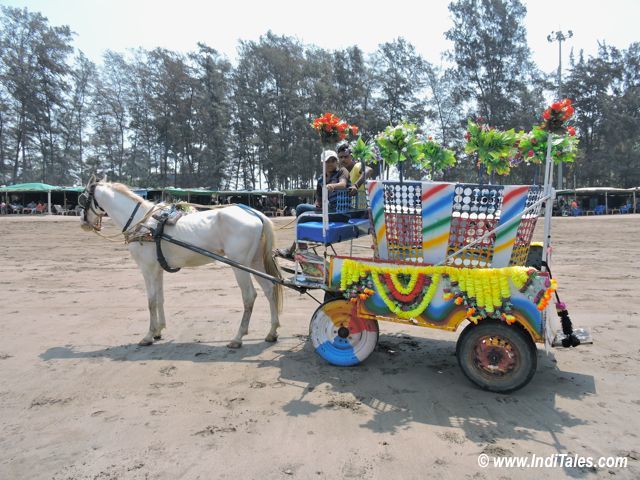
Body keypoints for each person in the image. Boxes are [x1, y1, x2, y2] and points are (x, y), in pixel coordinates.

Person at [275, 150, 349, 259]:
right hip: (328, 210)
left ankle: (296, 249)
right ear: (322, 163)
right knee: (301, 208)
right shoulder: (321, 180)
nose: (330, 163)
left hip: (340, 213)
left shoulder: (342, 171)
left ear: (336, 162)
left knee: (303, 218)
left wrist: (333, 186)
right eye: (327, 161)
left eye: (333, 160)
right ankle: (300, 247)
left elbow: (343, 184)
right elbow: (319, 198)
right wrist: (317, 204)